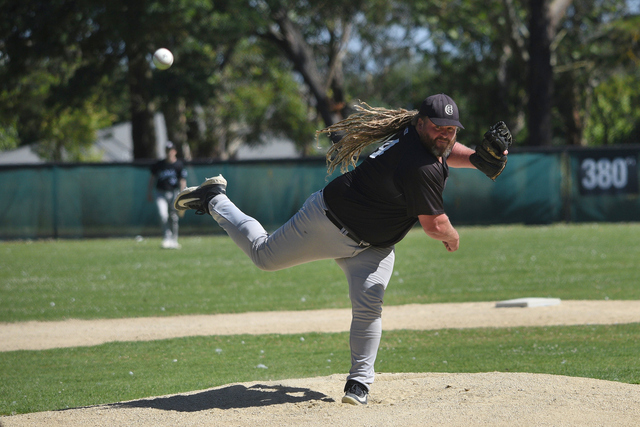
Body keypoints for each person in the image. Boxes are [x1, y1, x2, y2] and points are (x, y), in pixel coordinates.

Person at [174, 94, 512, 404]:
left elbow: (445, 149)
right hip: (327, 223)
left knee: (369, 306)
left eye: (451, 129)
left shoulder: (418, 136)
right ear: (421, 123)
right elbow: (435, 226)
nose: (445, 134)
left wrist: (476, 159)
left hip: (374, 246)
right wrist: (453, 236)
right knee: (264, 256)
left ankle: (359, 383)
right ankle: (214, 198)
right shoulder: (420, 165)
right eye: (438, 127)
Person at [148, 141, 188, 249]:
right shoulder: (159, 164)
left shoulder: (178, 164)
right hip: (160, 192)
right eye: (167, 150)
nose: (169, 152)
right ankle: (166, 238)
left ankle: (174, 240)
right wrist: (149, 192)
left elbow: (182, 181)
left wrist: (182, 195)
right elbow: (152, 178)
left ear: (174, 151)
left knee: (174, 217)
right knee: (163, 215)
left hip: (174, 192)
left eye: (170, 150)